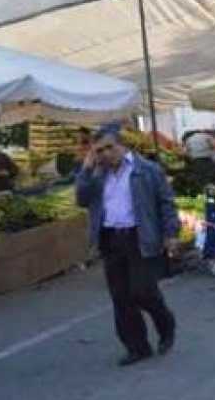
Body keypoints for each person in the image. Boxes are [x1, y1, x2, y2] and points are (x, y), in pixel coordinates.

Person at [75, 126, 178, 366]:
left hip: (139, 236)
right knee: (120, 297)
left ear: (123, 146)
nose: (106, 154)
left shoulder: (147, 170)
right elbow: (81, 199)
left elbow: (166, 202)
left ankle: (165, 322)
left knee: (142, 291)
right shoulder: (97, 175)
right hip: (110, 238)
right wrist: (86, 169)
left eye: (110, 147)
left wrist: (170, 233)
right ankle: (137, 347)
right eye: (100, 150)